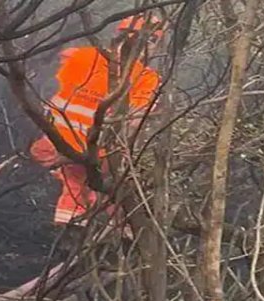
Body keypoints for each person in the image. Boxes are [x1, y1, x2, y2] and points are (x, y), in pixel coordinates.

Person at [30, 15, 164, 229]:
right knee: (117, 193)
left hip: (56, 144)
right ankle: (120, 233)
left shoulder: (80, 56)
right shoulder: (145, 78)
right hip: (98, 152)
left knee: (76, 186)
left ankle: (71, 227)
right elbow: (134, 121)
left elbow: (46, 93)